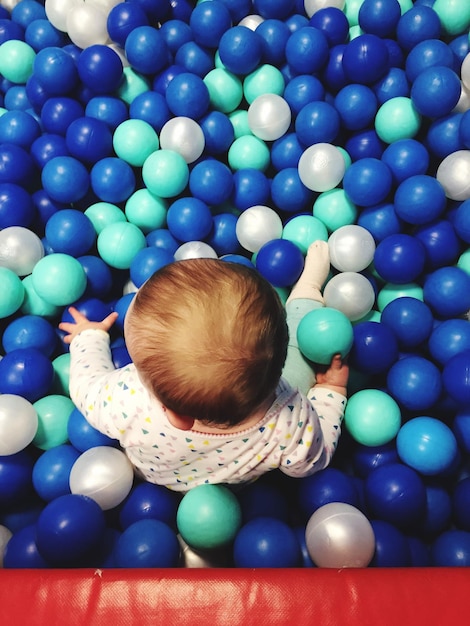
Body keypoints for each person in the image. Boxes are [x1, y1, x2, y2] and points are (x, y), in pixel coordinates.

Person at [59, 241, 348, 492]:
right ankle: (307, 292)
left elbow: (86, 387)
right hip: (237, 484)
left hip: (158, 480)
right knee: (305, 339)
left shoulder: (128, 399)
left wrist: (89, 338)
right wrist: (330, 392)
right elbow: (314, 460)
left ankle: (308, 288)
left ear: (175, 415)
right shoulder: (288, 419)